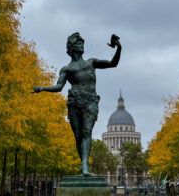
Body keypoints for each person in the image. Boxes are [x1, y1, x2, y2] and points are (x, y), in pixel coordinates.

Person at [33, 32, 122, 176]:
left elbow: (113, 64)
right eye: (79, 43)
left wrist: (118, 48)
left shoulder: (91, 62)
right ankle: (84, 165)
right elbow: (59, 87)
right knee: (78, 136)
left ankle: (85, 166)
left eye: (83, 43)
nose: (82, 45)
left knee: (87, 132)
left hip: (90, 101)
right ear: (72, 47)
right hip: (74, 102)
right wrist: (43, 88)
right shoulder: (67, 69)